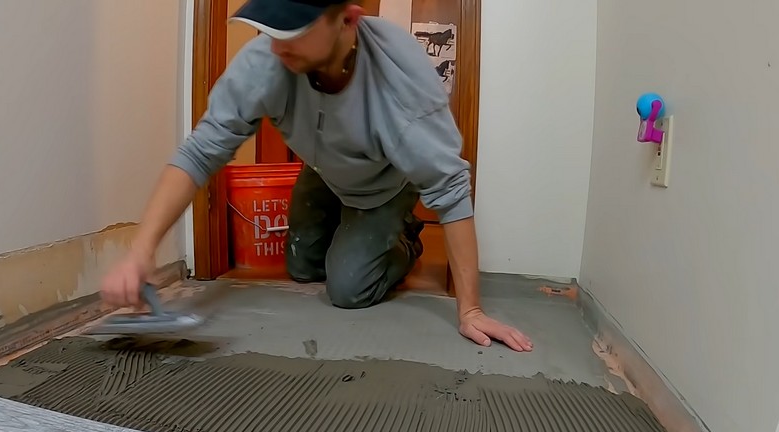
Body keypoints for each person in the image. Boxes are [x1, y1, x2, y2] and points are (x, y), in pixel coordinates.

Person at [99, 0, 533, 353]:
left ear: (348, 21)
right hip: (323, 168)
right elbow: (200, 151)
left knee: (347, 289)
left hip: (384, 184)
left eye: (293, 32)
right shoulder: (268, 59)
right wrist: (142, 250)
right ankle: (350, 226)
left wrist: (471, 311)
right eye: (269, 30)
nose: (275, 48)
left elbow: (452, 192)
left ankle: (405, 236)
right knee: (303, 269)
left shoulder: (402, 82)